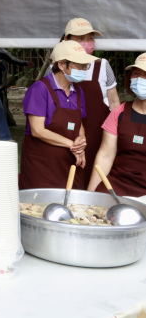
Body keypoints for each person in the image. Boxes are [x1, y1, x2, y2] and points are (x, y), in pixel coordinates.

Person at [19, 40, 97, 190]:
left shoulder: (78, 91)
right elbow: (37, 130)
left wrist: (81, 140)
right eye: (78, 65)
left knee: (71, 201)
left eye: (85, 65)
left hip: (70, 163)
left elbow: (79, 122)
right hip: (42, 165)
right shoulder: (39, 89)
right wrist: (72, 145)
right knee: (40, 202)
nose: (83, 69)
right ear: (61, 65)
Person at [59, 18, 121, 188]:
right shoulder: (57, 67)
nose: (87, 43)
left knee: (94, 175)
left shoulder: (103, 66)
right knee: (66, 180)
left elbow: (114, 101)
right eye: (80, 38)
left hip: (97, 136)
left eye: (90, 38)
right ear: (67, 39)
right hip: (66, 136)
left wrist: (119, 131)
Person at [87, 53, 146, 196]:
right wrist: (90, 196)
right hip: (117, 184)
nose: (139, 79)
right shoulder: (119, 112)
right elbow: (105, 156)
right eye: (136, 74)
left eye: (145, 75)